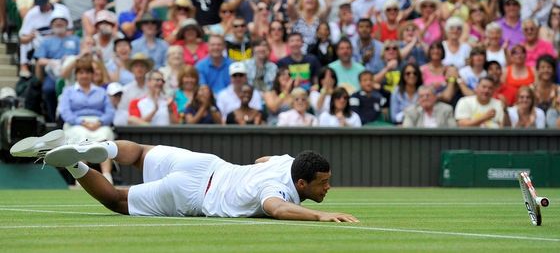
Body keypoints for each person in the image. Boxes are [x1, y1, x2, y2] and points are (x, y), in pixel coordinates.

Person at [11, 136, 358, 222]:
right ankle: (74, 165)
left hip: (205, 164)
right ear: (301, 184)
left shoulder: (287, 162)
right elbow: (277, 209)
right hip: (193, 196)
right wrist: (320, 215)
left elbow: (261, 160)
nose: (328, 187)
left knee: (141, 153)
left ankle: (95, 146)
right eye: (323, 182)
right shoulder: (278, 190)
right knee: (116, 199)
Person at [59, 58, 115, 183]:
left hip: (98, 124)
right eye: (81, 73)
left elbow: (110, 112)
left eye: (87, 72)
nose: (84, 76)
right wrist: (81, 122)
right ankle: (82, 177)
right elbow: (65, 112)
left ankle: (107, 176)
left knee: (106, 134)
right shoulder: (68, 92)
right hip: (75, 124)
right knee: (81, 135)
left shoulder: (101, 91)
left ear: (92, 74)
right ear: (76, 75)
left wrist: (100, 122)